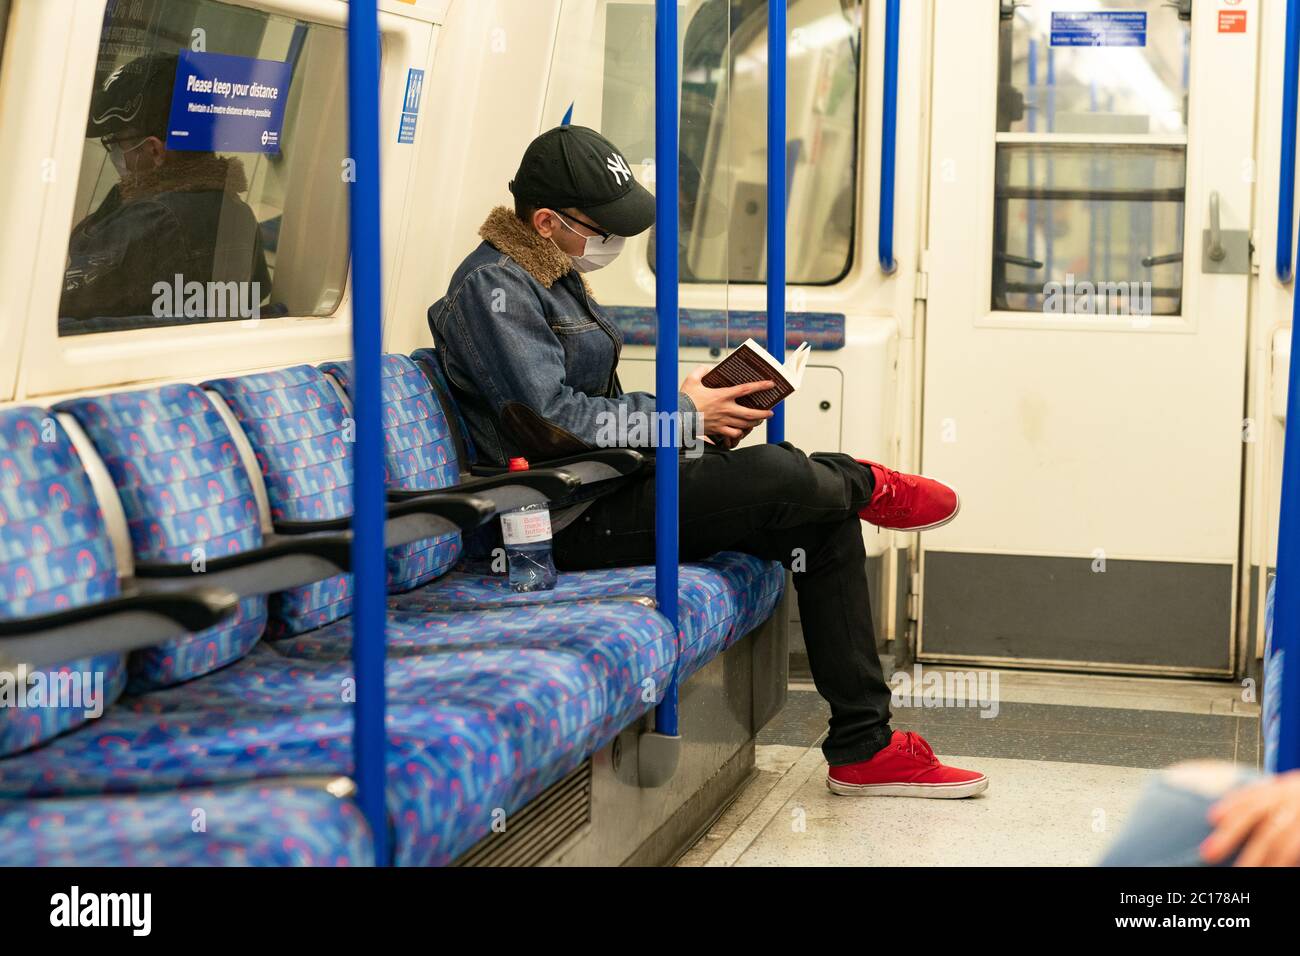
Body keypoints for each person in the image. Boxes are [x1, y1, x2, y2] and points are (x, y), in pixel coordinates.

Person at [429, 125, 988, 797]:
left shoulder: (552, 272)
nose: (615, 244)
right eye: (602, 230)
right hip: (560, 519)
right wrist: (681, 415)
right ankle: (866, 481)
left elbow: (587, 414)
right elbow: (553, 425)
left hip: (612, 484)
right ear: (545, 221)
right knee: (786, 474)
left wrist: (688, 411)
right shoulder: (493, 289)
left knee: (816, 518)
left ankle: (862, 746)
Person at [61, 52, 270, 326]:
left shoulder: (153, 219)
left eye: (115, 142)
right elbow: (259, 291)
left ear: (154, 149)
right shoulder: (239, 215)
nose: (113, 153)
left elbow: (64, 303)